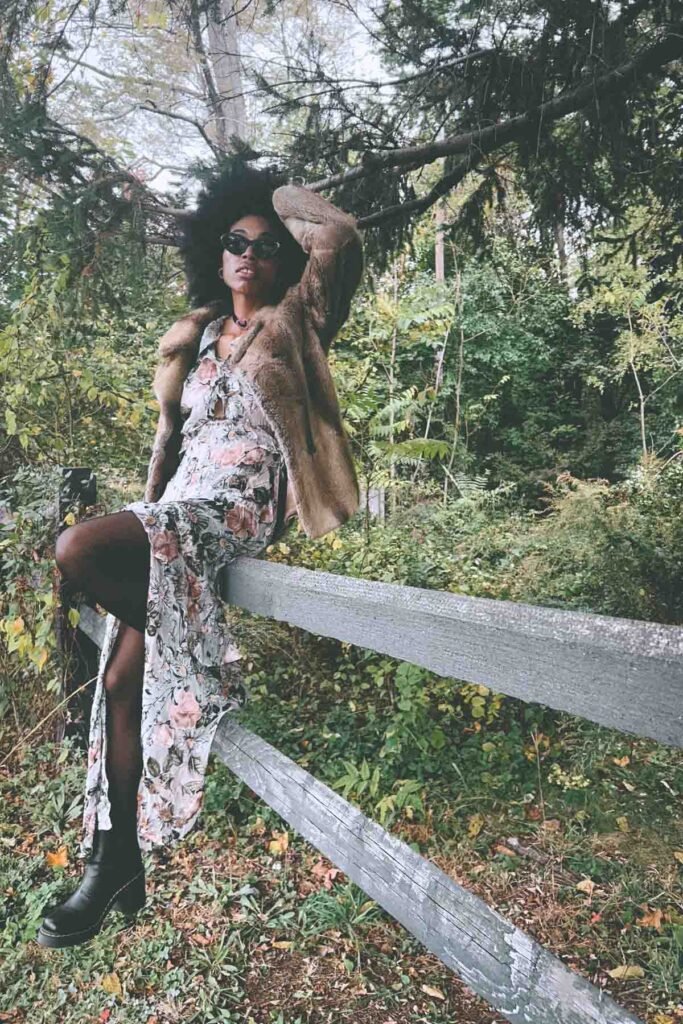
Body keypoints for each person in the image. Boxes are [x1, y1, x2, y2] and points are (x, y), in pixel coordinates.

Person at [36, 159, 364, 948]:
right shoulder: (193, 336)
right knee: (118, 680)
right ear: (215, 257)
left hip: (235, 508)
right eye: (233, 240)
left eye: (263, 243)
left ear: (282, 256)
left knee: (77, 549)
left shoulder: (295, 323)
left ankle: (200, 657)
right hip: (174, 509)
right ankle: (114, 862)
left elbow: (341, 237)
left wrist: (266, 194)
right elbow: (173, 442)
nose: (248, 251)